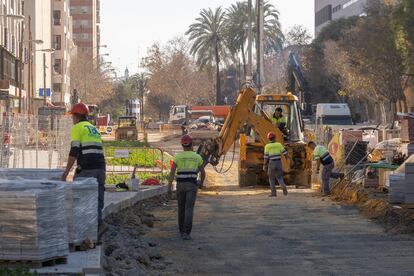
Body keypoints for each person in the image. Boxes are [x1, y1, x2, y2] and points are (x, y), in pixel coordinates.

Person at [61, 103, 107, 236]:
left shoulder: (77, 128)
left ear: (76, 116)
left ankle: (86, 232)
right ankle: (98, 226)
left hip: (88, 168)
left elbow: (74, 151)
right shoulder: (93, 128)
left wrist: (66, 173)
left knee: (81, 199)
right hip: (100, 168)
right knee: (98, 199)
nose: (72, 119)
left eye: (72, 116)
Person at [168, 135, 206, 240]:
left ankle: (181, 231)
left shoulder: (177, 157)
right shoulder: (197, 157)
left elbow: (171, 174)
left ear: (182, 145)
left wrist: (169, 188)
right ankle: (186, 233)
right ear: (192, 144)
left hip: (180, 186)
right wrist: (201, 183)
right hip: (192, 185)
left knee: (181, 208)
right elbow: (203, 172)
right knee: (189, 209)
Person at [263, 132, 288, 197]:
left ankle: (273, 193)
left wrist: (264, 165)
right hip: (278, 162)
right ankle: (283, 186)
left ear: (268, 139)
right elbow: (285, 153)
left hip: (272, 163)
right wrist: (289, 159)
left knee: (271, 178)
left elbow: (266, 157)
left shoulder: (267, 146)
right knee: (279, 177)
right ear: (275, 138)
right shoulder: (279, 144)